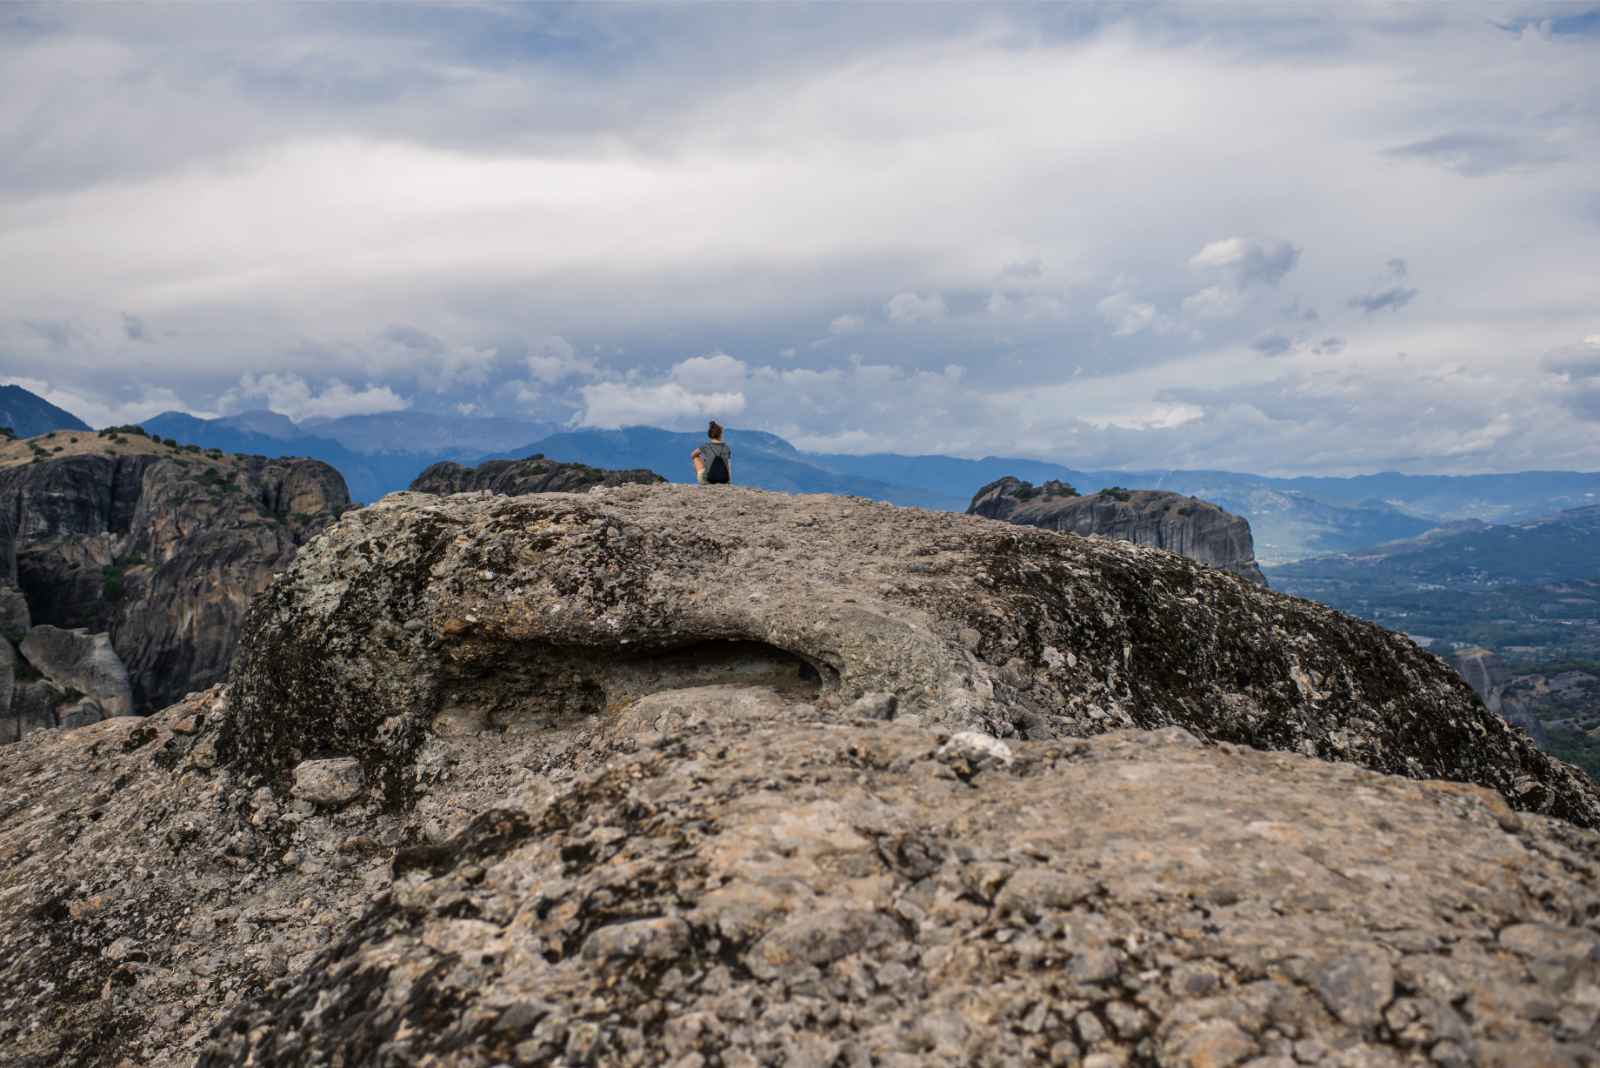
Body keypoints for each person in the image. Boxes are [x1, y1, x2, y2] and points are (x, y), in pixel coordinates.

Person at [691, 420, 732, 484]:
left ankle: (702, 481)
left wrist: (705, 461)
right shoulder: (726, 447)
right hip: (724, 480)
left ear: (709, 435)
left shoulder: (706, 446)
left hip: (708, 480)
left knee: (696, 457)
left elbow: (692, 455)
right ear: (720, 435)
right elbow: (728, 466)